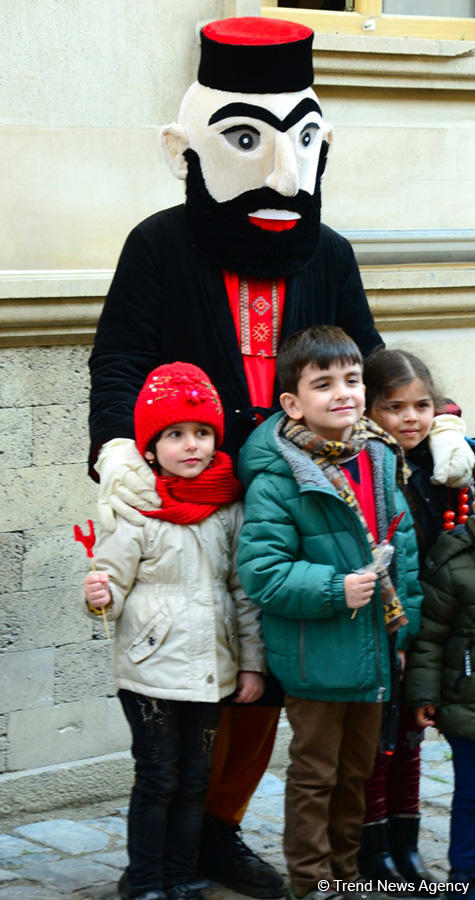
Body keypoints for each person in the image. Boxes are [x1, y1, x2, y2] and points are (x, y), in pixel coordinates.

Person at [87, 16, 471, 895]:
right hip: (191, 499)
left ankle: (217, 833)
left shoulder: (327, 252)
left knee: (266, 678)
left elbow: (369, 358)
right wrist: (116, 451)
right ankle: (165, 856)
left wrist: (437, 420)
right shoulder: (157, 244)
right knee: (196, 674)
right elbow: (118, 358)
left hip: (302, 495)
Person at [237, 325, 424, 900]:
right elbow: (263, 572)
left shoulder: (377, 454)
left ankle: (347, 873)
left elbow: (407, 552)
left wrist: (403, 627)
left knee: (357, 770)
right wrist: (333, 588)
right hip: (315, 652)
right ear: (292, 402)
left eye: (351, 380)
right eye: (324, 384)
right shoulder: (279, 476)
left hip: (374, 648)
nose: (343, 393)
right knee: (316, 774)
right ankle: (312, 881)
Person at [83, 361, 266, 900]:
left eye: (203, 433)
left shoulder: (227, 509)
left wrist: (251, 662)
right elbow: (111, 582)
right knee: (159, 775)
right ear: (150, 446)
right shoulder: (137, 511)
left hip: (212, 670)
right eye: (176, 435)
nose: (192, 446)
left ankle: (182, 876)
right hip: (149, 671)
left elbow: (242, 592)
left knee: (195, 780)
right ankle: (144, 881)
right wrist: (100, 597)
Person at [360, 347, 475, 891]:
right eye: (395, 407)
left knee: (412, 737)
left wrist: (450, 428)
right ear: (370, 409)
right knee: (380, 743)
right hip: (390, 624)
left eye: (422, 405)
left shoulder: (445, 462)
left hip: (437, 626)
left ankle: (406, 844)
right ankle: (374, 849)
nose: (411, 418)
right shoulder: (370, 467)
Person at [405, 513, 475, 900]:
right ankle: (465, 878)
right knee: (471, 795)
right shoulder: (455, 561)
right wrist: (425, 694)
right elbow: (431, 636)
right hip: (468, 702)